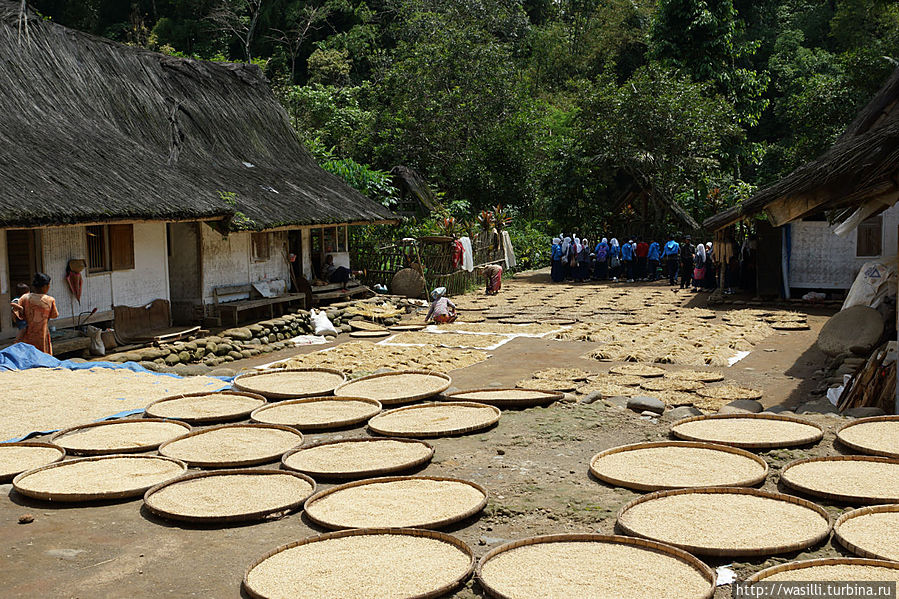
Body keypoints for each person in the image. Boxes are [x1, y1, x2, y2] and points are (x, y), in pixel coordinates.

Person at [13, 273, 58, 355]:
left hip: (28, 333)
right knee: (44, 356)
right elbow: (54, 315)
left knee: (28, 356)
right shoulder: (50, 300)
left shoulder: (25, 297)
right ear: (45, 286)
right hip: (42, 334)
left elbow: (16, 309)